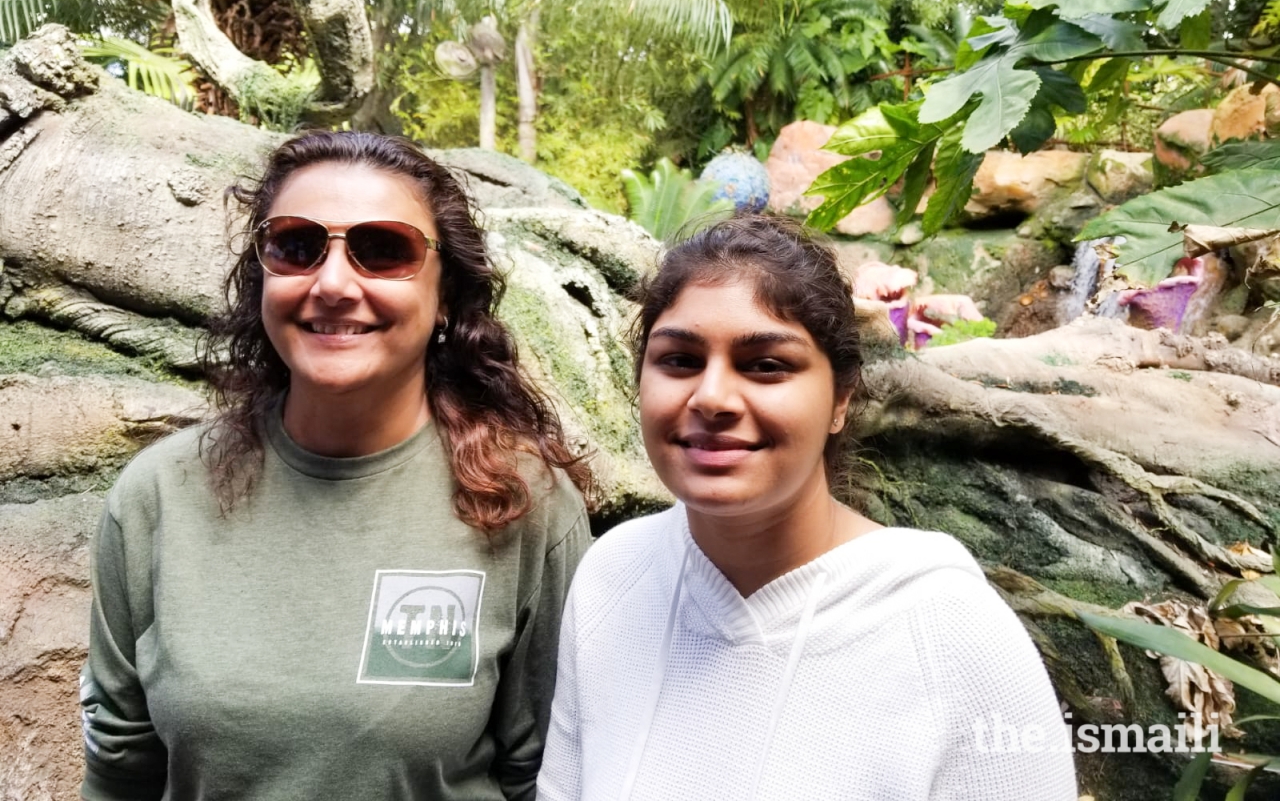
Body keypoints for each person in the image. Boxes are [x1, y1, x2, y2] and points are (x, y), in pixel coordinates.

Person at [80, 132, 593, 801]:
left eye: (384, 251)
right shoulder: (157, 497)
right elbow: (120, 773)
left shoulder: (524, 502)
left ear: (446, 296)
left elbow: (548, 778)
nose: (333, 284)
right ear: (263, 275)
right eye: (297, 245)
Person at [537, 214, 1077, 801]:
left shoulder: (947, 628)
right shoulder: (613, 576)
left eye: (766, 365)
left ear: (841, 399)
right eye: (680, 360)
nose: (712, 397)